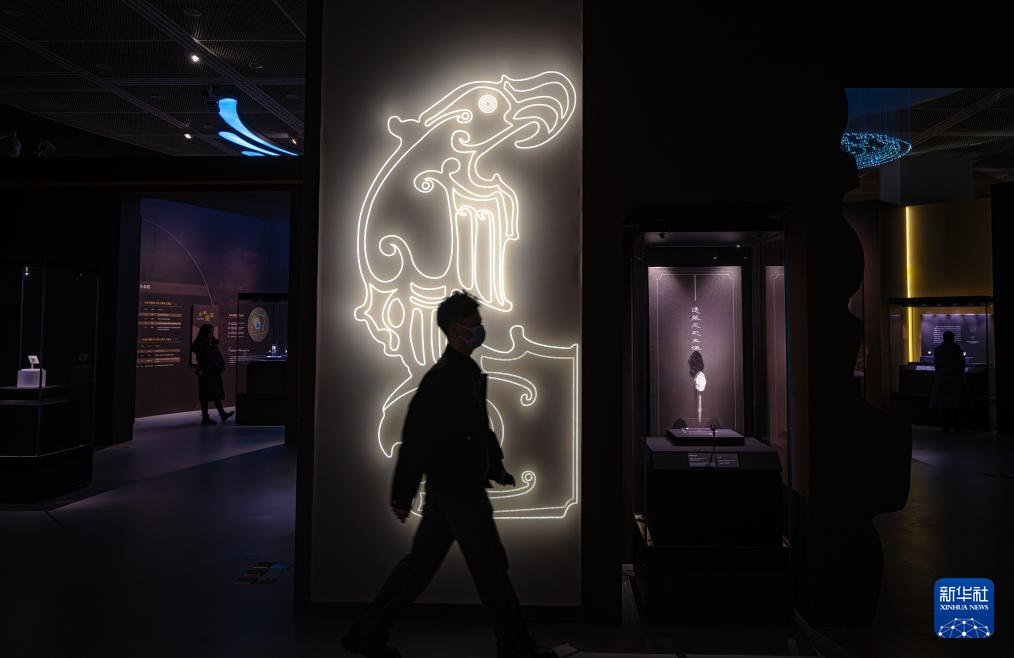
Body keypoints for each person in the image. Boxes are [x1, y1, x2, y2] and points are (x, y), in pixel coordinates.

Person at [342, 292, 556, 658]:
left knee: (420, 568)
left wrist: (496, 467)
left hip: (452, 488)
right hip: (459, 490)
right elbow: (416, 437)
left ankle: (366, 634)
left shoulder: (463, 372)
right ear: (457, 329)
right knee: (489, 568)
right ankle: (516, 646)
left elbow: (475, 428)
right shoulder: (445, 377)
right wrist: (402, 494)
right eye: (475, 324)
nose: (481, 329)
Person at [191, 324, 233, 425]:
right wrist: (218, 366)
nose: (212, 333)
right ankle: (206, 417)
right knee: (205, 396)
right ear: (206, 332)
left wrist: (219, 366)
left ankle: (222, 414)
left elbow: (215, 355)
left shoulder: (210, 342)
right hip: (207, 373)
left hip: (213, 372)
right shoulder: (202, 344)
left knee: (216, 394)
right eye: (211, 331)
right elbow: (208, 358)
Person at [930, 330, 970, 432]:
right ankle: (957, 425)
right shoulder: (957, 350)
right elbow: (962, 365)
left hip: (942, 379)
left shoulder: (938, 350)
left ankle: (946, 425)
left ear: (943, 338)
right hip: (956, 379)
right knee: (957, 403)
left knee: (944, 404)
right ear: (953, 338)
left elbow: (937, 365)